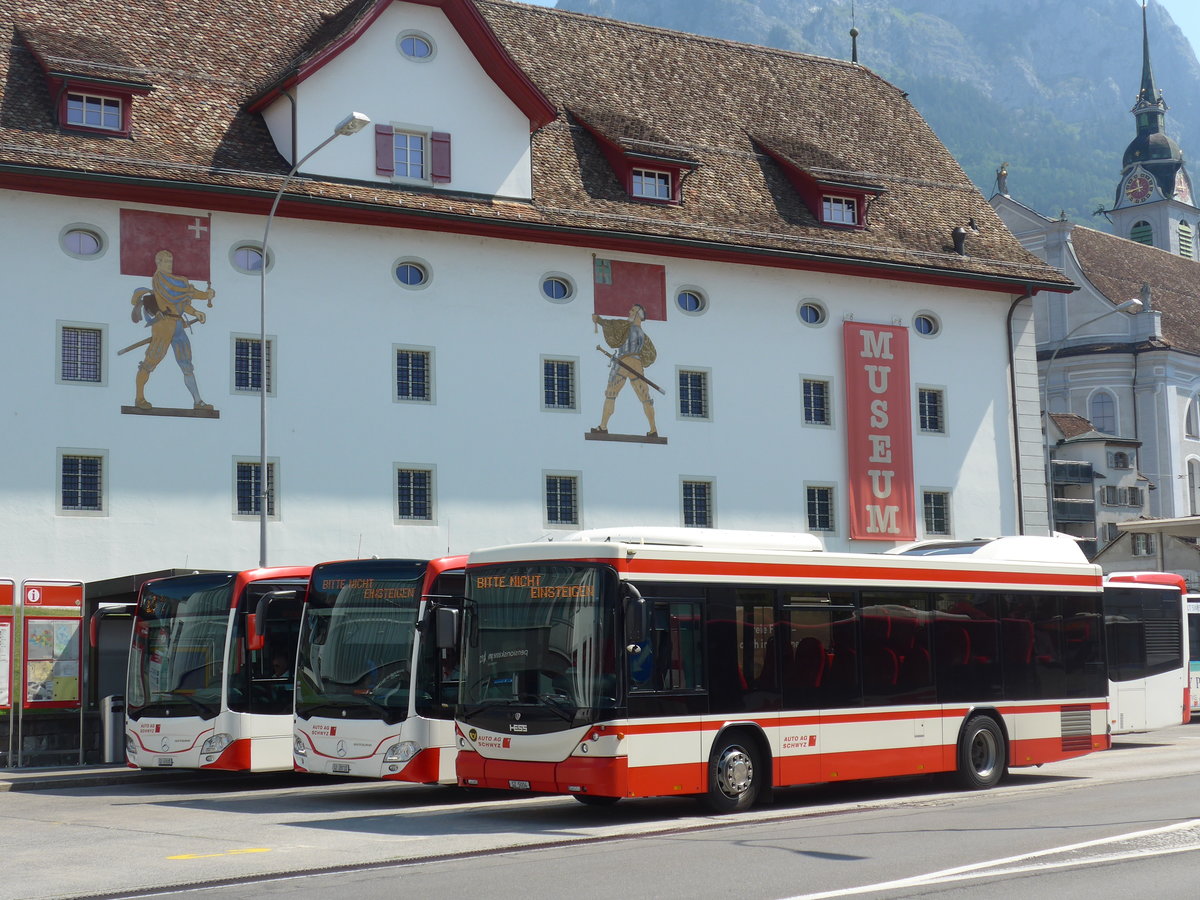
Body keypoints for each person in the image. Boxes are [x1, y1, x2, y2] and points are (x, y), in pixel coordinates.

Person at [130, 249, 215, 410]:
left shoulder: (176, 281)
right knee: (151, 361)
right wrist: (205, 295)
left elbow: (181, 303)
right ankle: (139, 398)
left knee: (186, 364)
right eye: (166, 261)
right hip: (163, 325)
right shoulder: (160, 279)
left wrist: (195, 312)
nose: (169, 264)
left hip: (178, 325)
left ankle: (198, 402)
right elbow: (176, 294)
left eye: (171, 261)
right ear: (159, 262)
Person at [593, 304, 658, 436]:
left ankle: (603, 427)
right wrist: (599, 320)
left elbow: (611, 324)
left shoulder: (626, 327)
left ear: (638, 314)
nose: (629, 312)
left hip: (624, 362)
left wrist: (599, 320)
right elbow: (651, 354)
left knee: (611, 393)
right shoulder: (644, 336)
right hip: (637, 364)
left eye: (633, 310)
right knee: (645, 397)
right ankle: (653, 430)